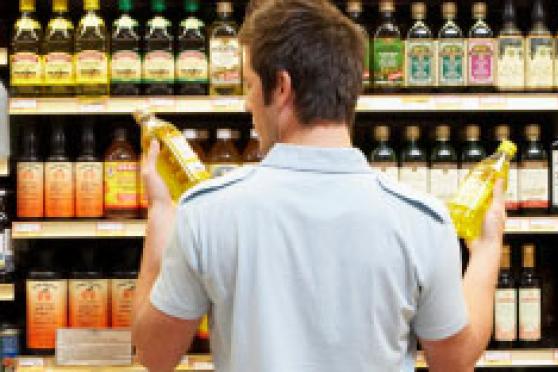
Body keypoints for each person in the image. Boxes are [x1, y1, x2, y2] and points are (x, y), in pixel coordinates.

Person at [132, 0, 506, 371]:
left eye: (249, 85)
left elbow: (155, 353)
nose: (247, 105)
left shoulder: (207, 212)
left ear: (281, 86)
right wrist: (488, 247)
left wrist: (162, 213)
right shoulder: (423, 221)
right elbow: (454, 361)